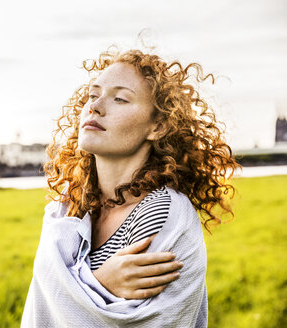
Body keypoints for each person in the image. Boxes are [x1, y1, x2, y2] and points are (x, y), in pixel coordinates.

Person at [21, 47, 240, 327]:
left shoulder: (161, 211)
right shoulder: (68, 207)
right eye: (92, 94)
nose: (95, 106)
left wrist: (84, 288)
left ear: (158, 127)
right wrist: (101, 283)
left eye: (120, 99)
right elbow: (47, 296)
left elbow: (134, 322)